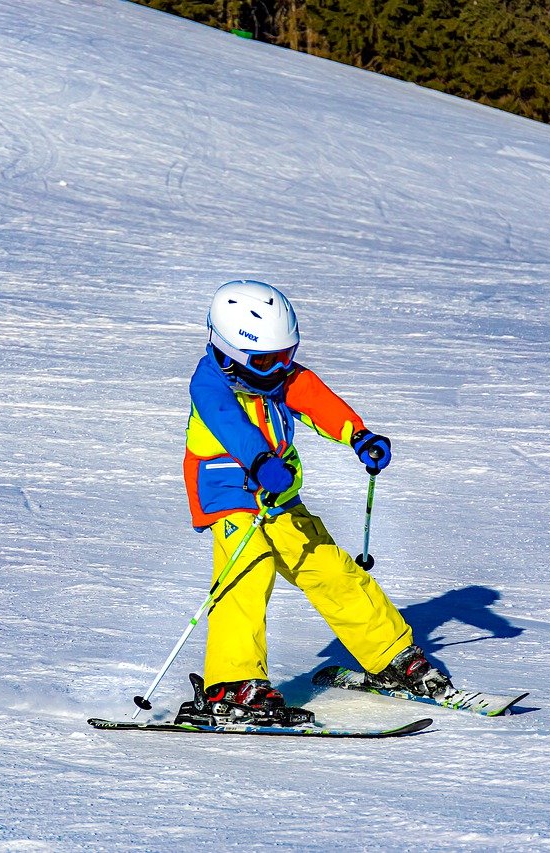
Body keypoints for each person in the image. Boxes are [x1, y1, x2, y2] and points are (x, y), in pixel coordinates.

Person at [175, 280, 452, 727]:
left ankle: (391, 655)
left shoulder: (277, 377)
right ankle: (232, 683)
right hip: (228, 494)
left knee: (331, 569)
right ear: (229, 354)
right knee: (249, 570)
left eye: (287, 355)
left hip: (277, 495)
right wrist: (261, 459)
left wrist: (357, 434)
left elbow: (313, 398)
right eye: (268, 360)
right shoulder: (210, 385)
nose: (281, 368)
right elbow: (230, 426)